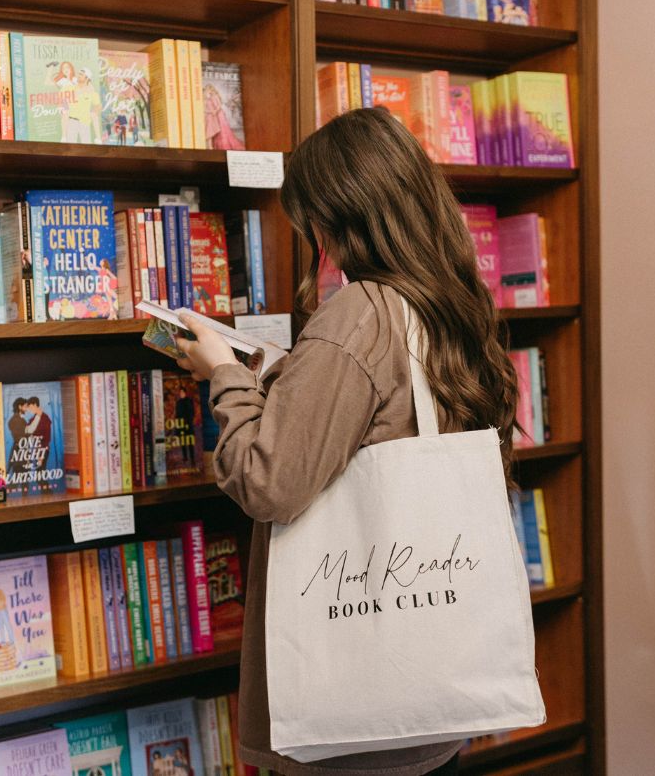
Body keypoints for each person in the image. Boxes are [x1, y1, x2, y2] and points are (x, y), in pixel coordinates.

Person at [173, 107, 519, 776]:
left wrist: (221, 373)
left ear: (341, 216)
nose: (316, 242)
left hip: (355, 734)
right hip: (431, 712)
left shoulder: (359, 313)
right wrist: (287, 375)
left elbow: (267, 482)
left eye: (314, 224)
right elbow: (386, 417)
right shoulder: (451, 302)